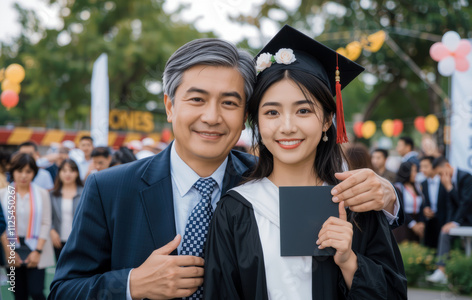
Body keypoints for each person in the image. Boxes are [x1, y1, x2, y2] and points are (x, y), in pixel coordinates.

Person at [50, 37, 403, 300]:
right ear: (170, 106)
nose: (212, 117)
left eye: (229, 102)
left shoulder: (267, 185)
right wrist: (131, 285)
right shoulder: (109, 189)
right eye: (197, 99)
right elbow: (63, 290)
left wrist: (390, 197)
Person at [204, 25, 406, 299]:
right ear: (257, 123)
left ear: (326, 120)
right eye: (272, 112)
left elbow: (393, 293)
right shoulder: (235, 210)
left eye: (303, 110)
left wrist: (349, 262)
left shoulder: (355, 203)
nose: (287, 127)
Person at [0, 153, 54, 300]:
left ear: (34, 173)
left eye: (28, 171)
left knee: (37, 292)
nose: (23, 175)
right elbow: (1, 225)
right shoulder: (3, 194)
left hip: (36, 247)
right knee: (19, 294)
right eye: (19, 171)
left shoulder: (42, 193)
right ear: (13, 171)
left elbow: (46, 222)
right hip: (11, 247)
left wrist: (37, 251)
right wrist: (9, 252)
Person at [426, 156, 472, 284]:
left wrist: (449, 188)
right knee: (445, 232)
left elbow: (465, 203)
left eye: (441, 173)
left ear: (447, 166)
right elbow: (450, 206)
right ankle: (441, 270)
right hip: (461, 219)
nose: (441, 177)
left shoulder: (466, 177)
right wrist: (449, 223)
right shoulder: (447, 182)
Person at [50, 159, 84, 261]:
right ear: (59, 173)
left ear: (77, 173)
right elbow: (48, 217)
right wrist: (51, 231)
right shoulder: (52, 194)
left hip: (79, 241)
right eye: (64, 171)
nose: (67, 174)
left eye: (71, 170)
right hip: (58, 241)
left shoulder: (84, 193)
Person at [419, 156, 448, 248]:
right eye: (421, 167)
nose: (422, 169)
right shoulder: (422, 184)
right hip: (429, 222)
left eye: (425, 166)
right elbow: (422, 203)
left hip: (444, 221)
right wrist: (424, 209)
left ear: (434, 166)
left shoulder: (445, 181)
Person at [392, 162, 424, 243]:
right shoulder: (398, 188)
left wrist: (421, 222)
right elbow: (400, 209)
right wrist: (413, 224)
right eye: (414, 171)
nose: (415, 174)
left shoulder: (417, 186)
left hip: (417, 221)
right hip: (404, 223)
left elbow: (421, 206)